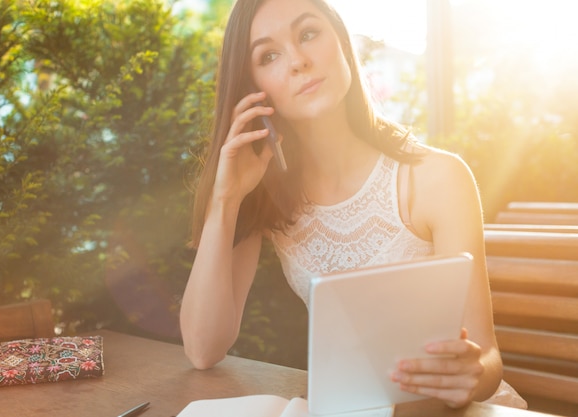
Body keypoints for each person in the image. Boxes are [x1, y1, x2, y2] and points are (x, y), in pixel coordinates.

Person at [180, 0, 526, 409]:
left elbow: (486, 356)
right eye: (269, 55)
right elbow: (203, 349)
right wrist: (226, 199)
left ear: (341, 41)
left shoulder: (438, 178)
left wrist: (471, 374)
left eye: (308, 33)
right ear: (252, 86)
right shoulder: (266, 193)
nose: (298, 61)